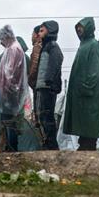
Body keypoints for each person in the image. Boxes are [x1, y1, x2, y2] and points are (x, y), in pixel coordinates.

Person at [63, 17, 99, 151]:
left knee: (89, 122)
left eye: (82, 26)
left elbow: (95, 70)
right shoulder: (84, 45)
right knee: (83, 122)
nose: (79, 29)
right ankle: (83, 144)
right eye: (77, 27)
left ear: (89, 28)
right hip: (81, 92)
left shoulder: (94, 45)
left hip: (88, 92)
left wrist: (87, 87)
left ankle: (89, 146)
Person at [0, 24, 28, 152]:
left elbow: (10, 74)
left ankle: (12, 149)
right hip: (9, 92)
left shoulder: (13, 49)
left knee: (10, 122)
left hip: (9, 93)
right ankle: (10, 148)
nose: (1, 43)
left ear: (6, 37)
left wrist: (5, 91)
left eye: (2, 40)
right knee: (8, 122)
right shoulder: (12, 49)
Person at [31, 20, 63, 150]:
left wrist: (49, 80)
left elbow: (57, 61)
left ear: (50, 30)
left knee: (47, 115)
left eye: (42, 30)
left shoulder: (53, 46)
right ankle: (47, 142)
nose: (39, 32)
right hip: (41, 86)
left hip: (47, 87)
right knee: (41, 115)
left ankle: (51, 144)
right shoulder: (44, 47)